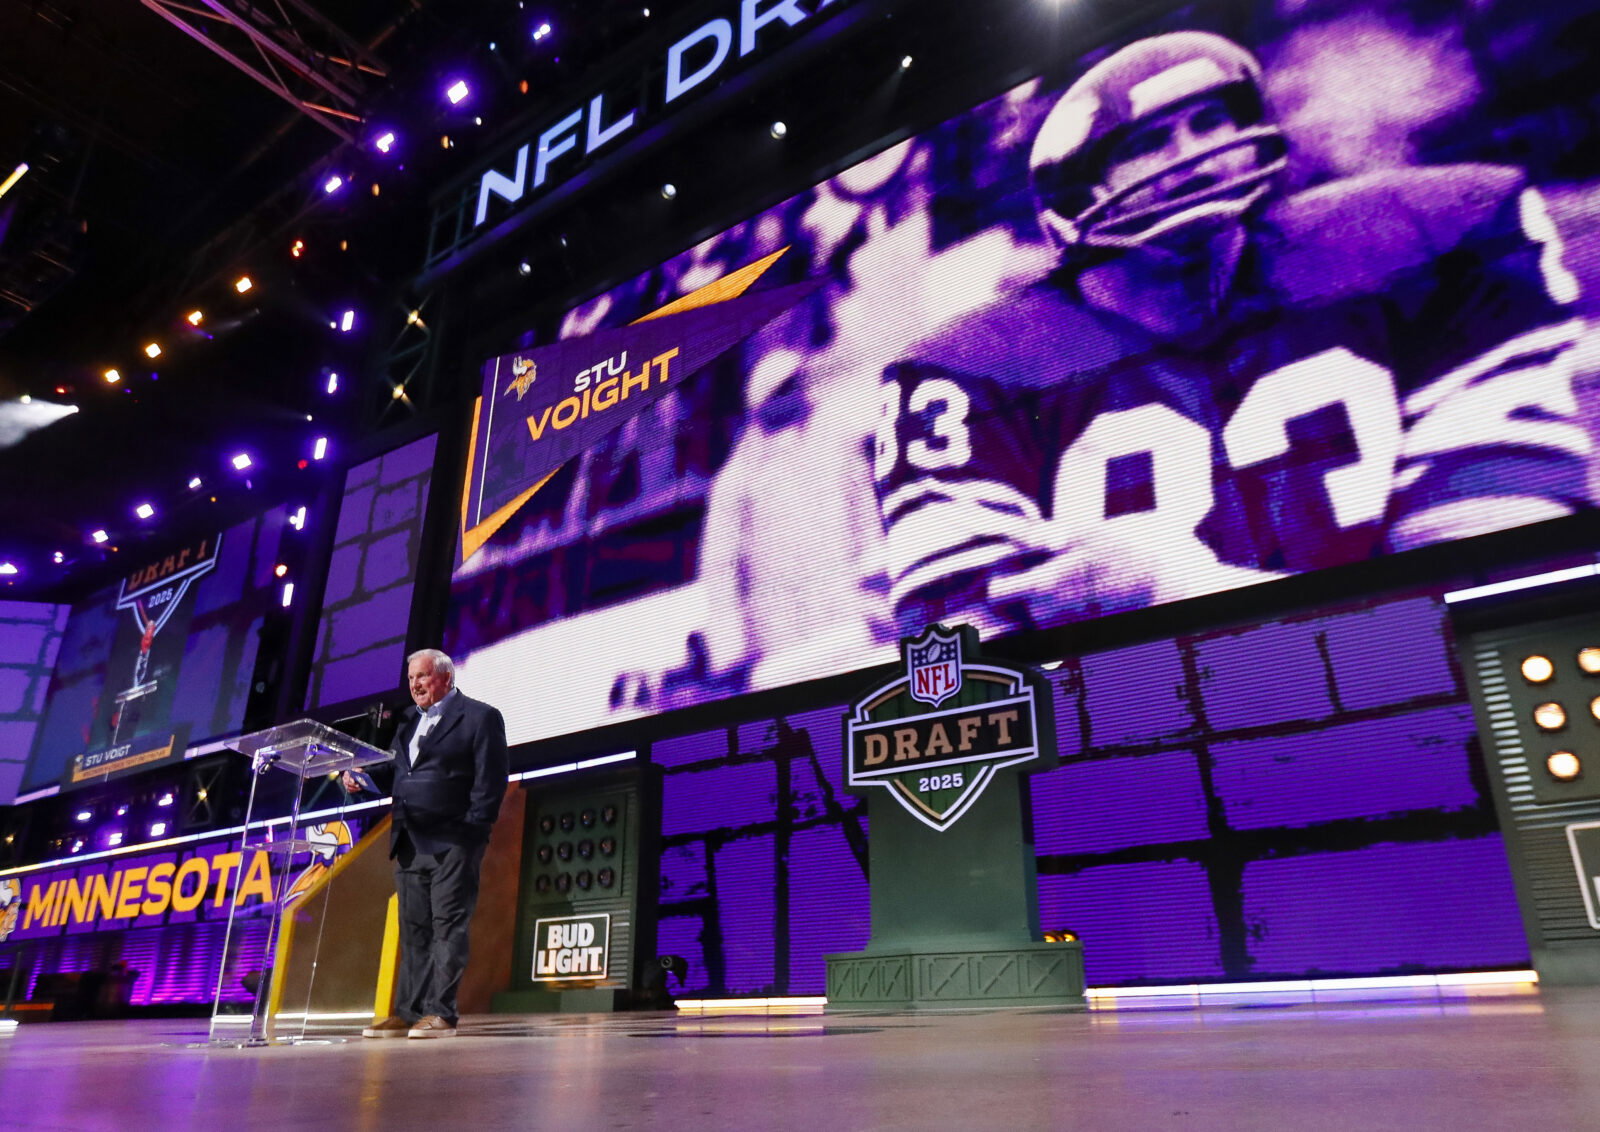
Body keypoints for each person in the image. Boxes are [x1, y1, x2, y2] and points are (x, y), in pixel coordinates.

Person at [873, 30, 1594, 637]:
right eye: (1149, 141)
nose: (1196, 156)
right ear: (1073, 191)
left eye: (1210, 123)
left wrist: (1172, 589)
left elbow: (1486, 588)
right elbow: (977, 681)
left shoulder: (1426, 241)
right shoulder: (973, 373)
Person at [344, 648, 509, 1039]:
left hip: (454, 839)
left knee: (448, 927)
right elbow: (400, 772)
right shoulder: (407, 722)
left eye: (422, 676)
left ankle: (442, 1014)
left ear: (446, 677)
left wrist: (473, 829)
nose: (415, 685)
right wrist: (361, 780)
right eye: (411, 678)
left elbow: (492, 779)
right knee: (414, 929)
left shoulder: (480, 717)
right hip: (409, 839)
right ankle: (408, 1012)